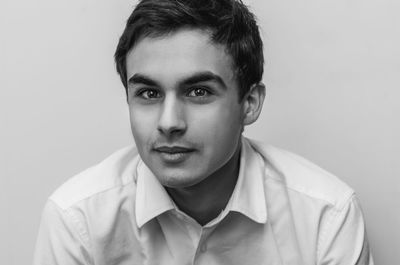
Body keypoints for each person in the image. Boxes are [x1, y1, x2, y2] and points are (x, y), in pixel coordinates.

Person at [33, 0, 374, 264]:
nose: (169, 122)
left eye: (199, 92)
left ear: (250, 103)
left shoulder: (325, 218)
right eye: (148, 93)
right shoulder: (77, 220)